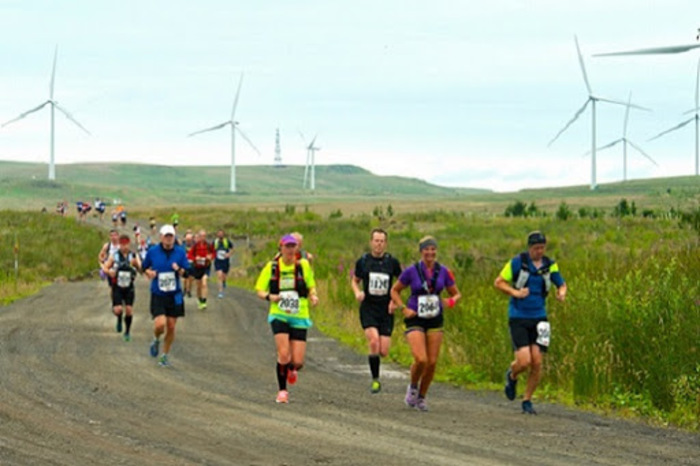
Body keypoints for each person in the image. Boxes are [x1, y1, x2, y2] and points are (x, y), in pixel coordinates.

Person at [494, 230, 567, 415]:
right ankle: (512, 375)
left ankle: (527, 400)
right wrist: (515, 293)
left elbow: (561, 283)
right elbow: (499, 282)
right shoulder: (517, 262)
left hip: (540, 318)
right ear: (529, 247)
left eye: (542, 248)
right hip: (518, 316)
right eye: (536, 248)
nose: (539, 251)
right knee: (524, 361)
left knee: (537, 362)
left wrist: (561, 292)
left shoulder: (550, 265)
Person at [390, 236, 461, 412]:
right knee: (421, 359)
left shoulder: (444, 271)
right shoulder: (411, 271)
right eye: (426, 249)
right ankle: (413, 387)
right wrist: (403, 308)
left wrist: (450, 302)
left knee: (432, 362)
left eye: (433, 249)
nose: (430, 253)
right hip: (415, 316)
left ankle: (422, 397)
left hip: (435, 317)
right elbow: (394, 290)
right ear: (421, 251)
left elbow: (456, 294)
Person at [255, 234, 319, 403]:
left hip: (299, 315)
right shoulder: (272, 267)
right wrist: (270, 297)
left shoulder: (303, 265)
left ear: (297, 248)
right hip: (279, 314)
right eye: (287, 247)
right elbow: (260, 290)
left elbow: (311, 286)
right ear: (281, 248)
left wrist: (313, 296)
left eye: (293, 247)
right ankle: (282, 391)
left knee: (297, 361)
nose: (290, 250)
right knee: (283, 354)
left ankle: (291, 368)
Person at [351, 228, 402, 393]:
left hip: (386, 309)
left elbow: (401, 283)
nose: (379, 244)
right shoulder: (364, 261)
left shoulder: (392, 262)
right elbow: (355, 280)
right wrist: (358, 292)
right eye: (376, 241)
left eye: (382, 241)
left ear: (385, 243)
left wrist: (395, 302)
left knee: (383, 351)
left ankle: (376, 364)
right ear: (371, 242)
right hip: (369, 307)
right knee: (373, 341)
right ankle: (375, 380)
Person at [142, 224, 191, 367]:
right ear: (161, 237)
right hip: (158, 293)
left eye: (171, 236)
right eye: (166, 236)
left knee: (171, 326)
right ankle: (156, 339)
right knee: (160, 325)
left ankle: (164, 355)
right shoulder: (153, 252)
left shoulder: (180, 252)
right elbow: (144, 267)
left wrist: (179, 270)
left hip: (174, 294)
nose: (169, 239)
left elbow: (187, 272)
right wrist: (149, 273)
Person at [101, 234, 142, 341]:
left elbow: (141, 268)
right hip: (117, 286)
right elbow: (105, 267)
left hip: (129, 287)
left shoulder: (133, 255)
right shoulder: (114, 256)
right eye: (122, 244)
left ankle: (127, 332)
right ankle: (119, 318)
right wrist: (109, 272)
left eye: (126, 244)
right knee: (118, 309)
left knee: (129, 310)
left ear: (129, 244)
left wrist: (137, 266)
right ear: (119, 245)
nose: (124, 247)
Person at [187, 229, 214, 309]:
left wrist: (210, 257)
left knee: (204, 282)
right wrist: (195, 258)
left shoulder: (209, 245)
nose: (203, 238)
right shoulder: (195, 246)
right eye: (201, 236)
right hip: (197, 267)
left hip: (206, 267)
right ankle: (200, 300)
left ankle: (204, 301)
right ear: (198, 237)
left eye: (204, 236)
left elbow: (213, 253)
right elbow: (189, 255)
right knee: (198, 286)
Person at [213, 229, 234, 298]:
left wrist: (229, 254)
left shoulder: (227, 241)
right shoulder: (215, 242)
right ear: (217, 235)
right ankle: (220, 291)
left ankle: (224, 282)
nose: (220, 235)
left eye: (221, 234)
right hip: (218, 261)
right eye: (219, 234)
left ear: (223, 235)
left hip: (225, 261)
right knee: (219, 276)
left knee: (223, 276)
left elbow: (232, 248)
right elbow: (211, 249)